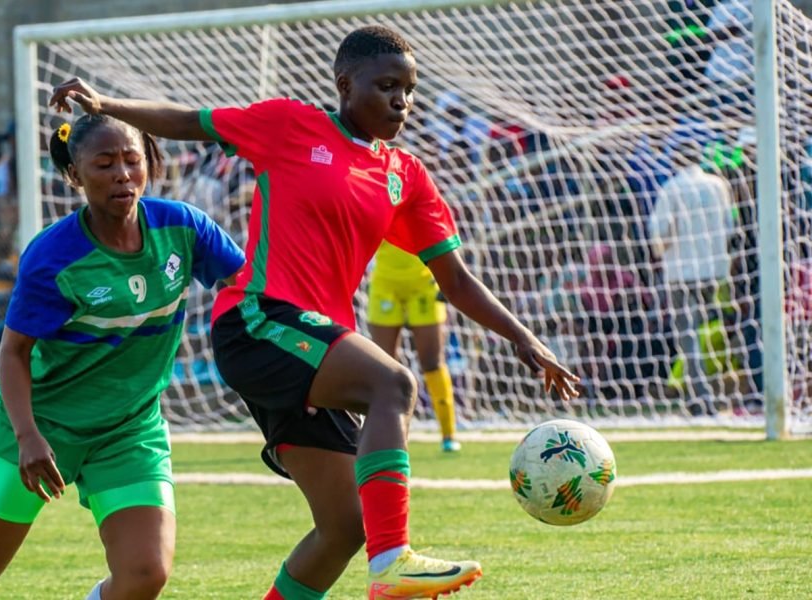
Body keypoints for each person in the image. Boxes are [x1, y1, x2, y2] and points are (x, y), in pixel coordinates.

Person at [49, 24, 580, 600]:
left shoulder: (405, 177)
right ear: (345, 84)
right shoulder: (291, 125)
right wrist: (105, 105)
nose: (401, 100)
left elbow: (454, 278)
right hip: (257, 322)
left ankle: (379, 553)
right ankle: (394, 560)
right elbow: (189, 121)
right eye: (386, 86)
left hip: (311, 348)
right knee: (394, 385)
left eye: (409, 89)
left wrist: (522, 336)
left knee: (345, 524)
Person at [0, 114, 245, 600]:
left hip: (129, 428)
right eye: (104, 163)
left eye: (132, 160)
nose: (122, 174)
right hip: (40, 424)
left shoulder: (183, 227)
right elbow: (13, 354)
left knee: (146, 574)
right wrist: (29, 437)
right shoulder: (53, 257)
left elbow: (251, 286)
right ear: (74, 175)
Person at [648, 141, 734, 409]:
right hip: (716, 271)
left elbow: (659, 233)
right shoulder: (718, 185)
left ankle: (700, 397)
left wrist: (660, 252)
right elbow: (730, 225)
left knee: (689, 337)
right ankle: (726, 391)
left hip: (681, 273)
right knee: (716, 332)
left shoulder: (672, 188)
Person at [366, 242, 460, 452]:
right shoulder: (379, 206)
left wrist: (449, 275)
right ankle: (384, 433)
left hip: (424, 284)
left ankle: (448, 434)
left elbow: (445, 232)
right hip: (384, 284)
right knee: (382, 365)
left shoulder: (423, 207)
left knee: (432, 362)